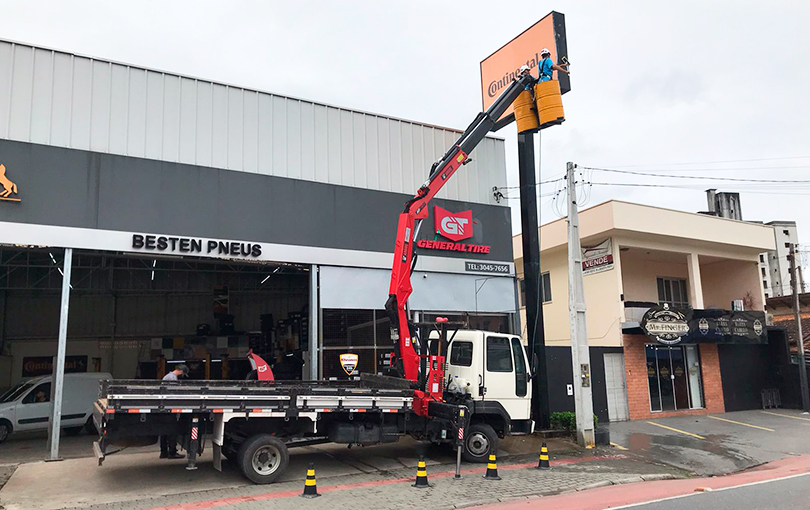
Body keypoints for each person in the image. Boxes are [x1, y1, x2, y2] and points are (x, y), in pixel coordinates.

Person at [159, 364, 187, 459]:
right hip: (170, 406)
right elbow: (174, 392)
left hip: (164, 406)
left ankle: (163, 452)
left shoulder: (168, 376)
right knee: (172, 430)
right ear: (181, 371)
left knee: (164, 431)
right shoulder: (172, 377)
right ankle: (172, 452)